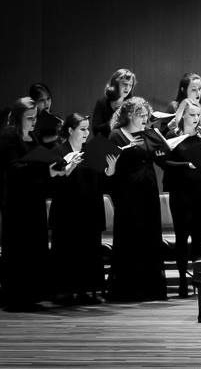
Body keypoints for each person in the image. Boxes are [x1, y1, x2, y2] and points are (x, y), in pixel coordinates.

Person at [0, 98, 66, 311]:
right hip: (17, 202)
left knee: (35, 245)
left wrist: (54, 168)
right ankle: (17, 297)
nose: (33, 122)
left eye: (35, 118)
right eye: (29, 118)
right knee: (19, 247)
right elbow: (13, 168)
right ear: (17, 118)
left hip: (34, 199)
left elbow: (41, 162)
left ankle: (33, 295)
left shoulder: (34, 136)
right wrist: (43, 168)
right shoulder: (9, 136)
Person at [49, 113, 117, 305]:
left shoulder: (92, 151)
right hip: (67, 210)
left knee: (89, 252)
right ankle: (65, 292)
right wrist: (68, 169)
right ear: (70, 130)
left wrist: (110, 171)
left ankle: (87, 290)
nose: (87, 133)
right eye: (83, 129)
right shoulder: (58, 150)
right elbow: (53, 182)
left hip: (89, 209)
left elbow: (101, 181)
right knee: (68, 252)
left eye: (88, 129)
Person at [107, 97, 167, 301]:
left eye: (146, 116)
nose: (145, 119)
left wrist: (163, 148)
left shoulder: (148, 134)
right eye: (141, 116)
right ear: (130, 115)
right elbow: (112, 166)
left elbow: (161, 160)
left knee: (149, 237)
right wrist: (130, 147)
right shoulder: (116, 135)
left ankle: (150, 289)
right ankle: (128, 290)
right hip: (127, 195)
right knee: (130, 238)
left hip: (148, 192)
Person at [162, 100, 201, 297]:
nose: (196, 118)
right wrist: (186, 165)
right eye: (192, 115)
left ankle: (200, 280)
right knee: (181, 237)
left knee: (198, 238)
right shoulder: (172, 136)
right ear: (183, 115)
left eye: (198, 115)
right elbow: (166, 163)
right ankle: (182, 283)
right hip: (181, 193)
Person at [160, 73, 201, 142]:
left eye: (200, 89)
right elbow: (161, 137)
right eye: (194, 90)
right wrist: (169, 126)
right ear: (183, 90)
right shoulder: (173, 107)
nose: (198, 93)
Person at [91, 68, 136, 138]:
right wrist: (114, 121)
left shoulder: (132, 104)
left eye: (130, 85)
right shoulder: (102, 102)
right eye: (125, 84)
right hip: (107, 144)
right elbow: (96, 131)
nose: (128, 88)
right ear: (115, 84)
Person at [29, 83, 61, 148]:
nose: (46, 103)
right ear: (34, 102)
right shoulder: (31, 120)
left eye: (48, 98)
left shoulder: (56, 118)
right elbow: (39, 140)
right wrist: (60, 135)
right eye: (41, 100)